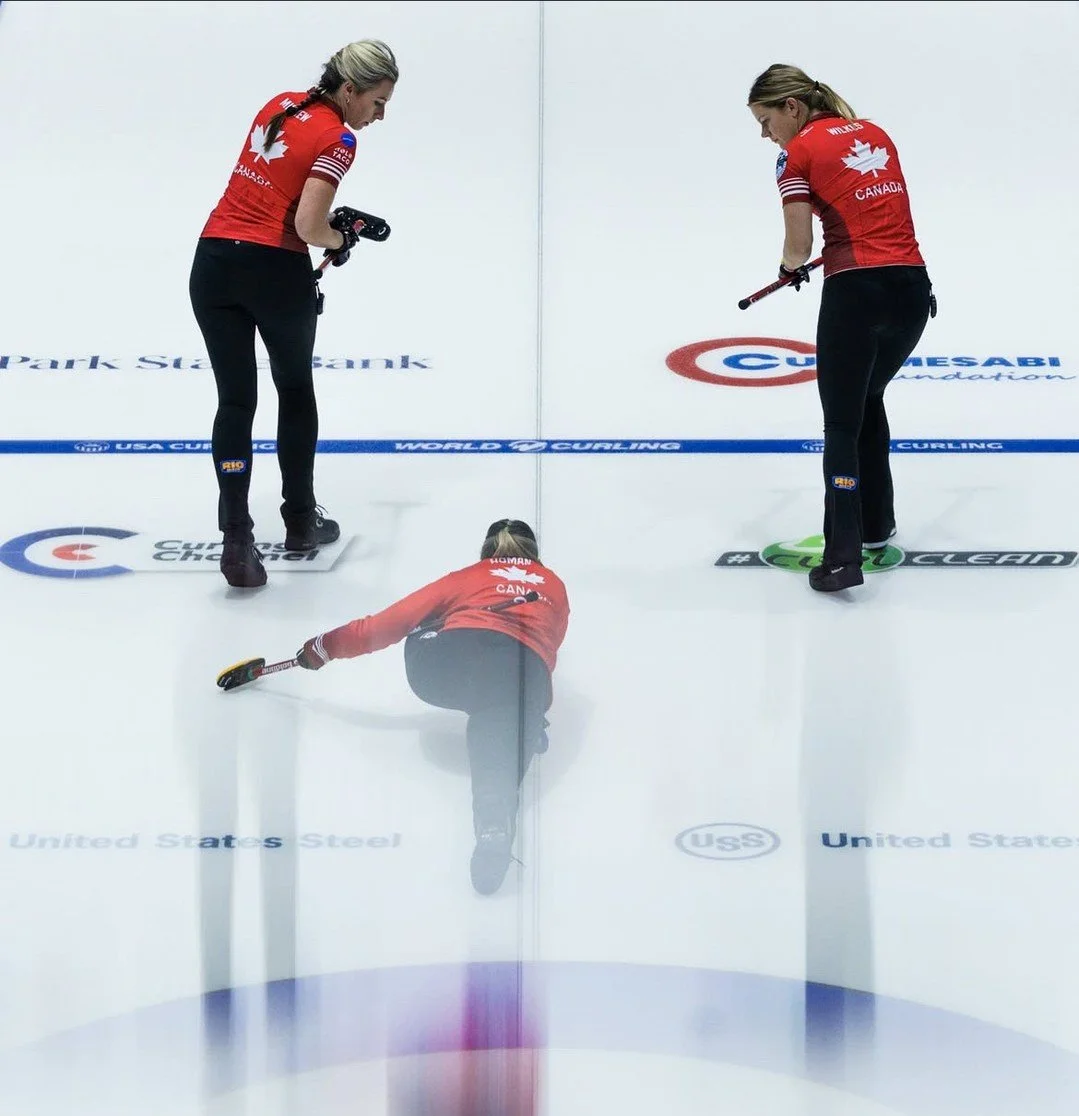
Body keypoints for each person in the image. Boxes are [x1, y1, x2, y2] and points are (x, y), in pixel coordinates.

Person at [189, 40, 398, 588]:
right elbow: (309, 227)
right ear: (350, 90)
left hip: (212, 261)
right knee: (295, 391)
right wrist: (342, 237)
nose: (380, 116)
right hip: (274, 272)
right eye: (377, 102)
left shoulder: (279, 104)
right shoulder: (339, 138)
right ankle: (300, 521)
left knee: (234, 401)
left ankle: (237, 537)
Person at [294, 520, 570, 895]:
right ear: (534, 553)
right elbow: (550, 644)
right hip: (524, 675)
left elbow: (385, 625)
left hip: (447, 666)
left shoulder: (469, 576)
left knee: (430, 622)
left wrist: (323, 647)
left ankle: (506, 732)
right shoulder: (554, 585)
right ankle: (494, 819)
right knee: (501, 728)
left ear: (486, 551)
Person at [748, 64, 935, 592]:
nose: (765, 135)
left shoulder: (797, 152)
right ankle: (877, 525)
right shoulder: (875, 133)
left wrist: (788, 268)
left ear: (792, 107)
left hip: (857, 293)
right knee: (868, 396)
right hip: (913, 291)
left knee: (841, 424)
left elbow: (799, 245)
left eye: (765, 121)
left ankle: (842, 555)